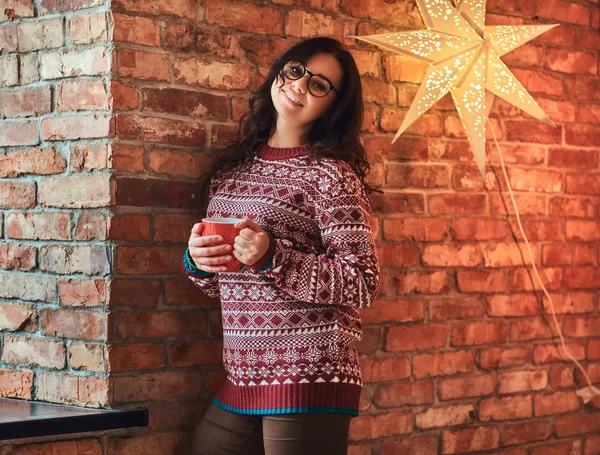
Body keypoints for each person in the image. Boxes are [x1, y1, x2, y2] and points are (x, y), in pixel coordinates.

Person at [183, 36, 381, 455]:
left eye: (320, 85)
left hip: (309, 370)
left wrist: (274, 256)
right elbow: (227, 285)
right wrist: (199, 263)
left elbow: (361, 282)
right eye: (296, 71)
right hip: (244, 371)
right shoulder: (232, 172)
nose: (301, 86)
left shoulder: (331, 176)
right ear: (278, 72)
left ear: (333, 104)